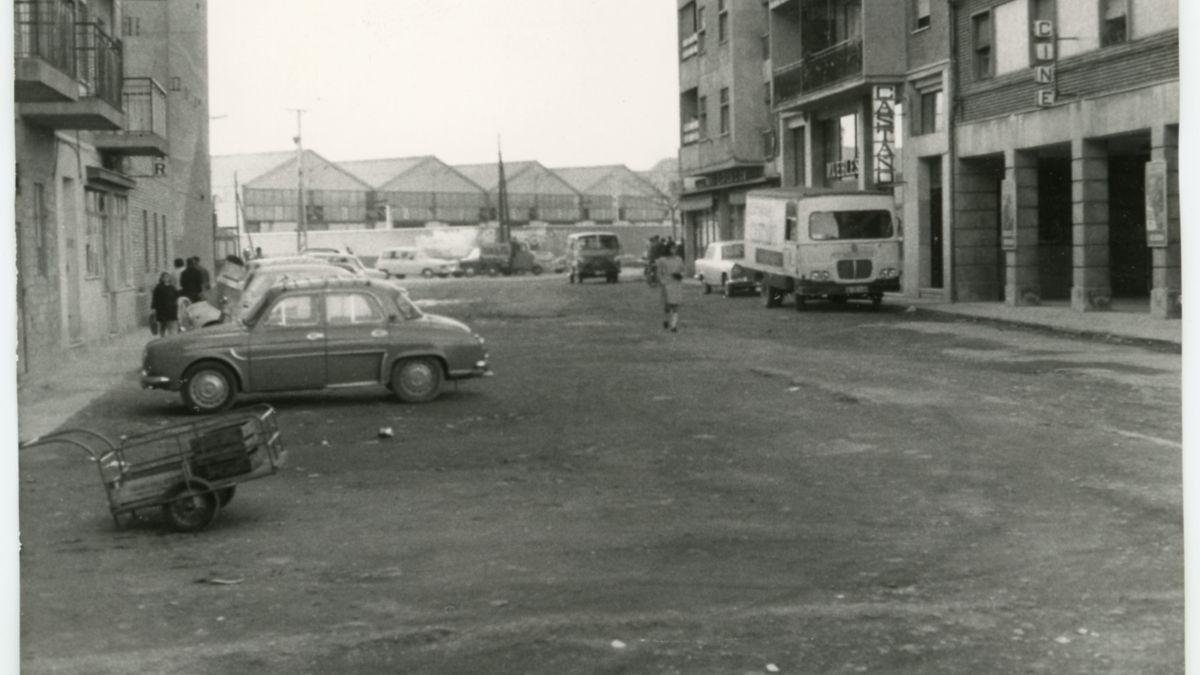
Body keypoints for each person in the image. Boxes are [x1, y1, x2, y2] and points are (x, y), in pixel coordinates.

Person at [654, 243, 685, 332]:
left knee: (675, 305)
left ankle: (673, 326)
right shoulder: (663, 260)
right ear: (668, 249)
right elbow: (659, 273)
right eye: (672, 248)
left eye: (675, 248)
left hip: (676, 284)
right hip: (667, 284)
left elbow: (683, 270)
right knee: (667, 305)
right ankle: (666, 320)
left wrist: (680, 275)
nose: (674, 250)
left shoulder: (679, 259)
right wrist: (662, 282)